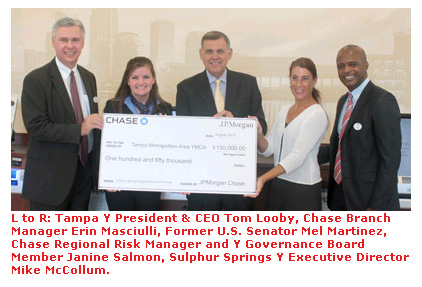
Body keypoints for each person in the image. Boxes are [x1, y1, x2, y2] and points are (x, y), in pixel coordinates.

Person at [176, 31, 267, 211]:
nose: (215, 56)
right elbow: (182, 135)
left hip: (238, 181)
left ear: (230, 53)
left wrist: (238, 125)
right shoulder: (186, 87)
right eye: (209, 51)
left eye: (220, 51)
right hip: (202, 183)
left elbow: (261, 125)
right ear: (201, 54)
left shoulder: (248, 83)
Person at [21, 17, 103, 211]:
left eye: (75, 40)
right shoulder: (36, 79)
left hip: (83, 177)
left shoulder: (89, 77)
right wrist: (79, 129)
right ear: (53, 43)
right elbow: (36, 127)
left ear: (82, 43)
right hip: (50, 181)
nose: (70, 45)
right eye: (63, 40)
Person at [327, 45, 401, 211]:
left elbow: (390, 160)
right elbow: (340, 146)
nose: (347, 70)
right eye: (341, 66)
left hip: (369, 203)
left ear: (365, 66)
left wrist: (374, 208)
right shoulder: (343, 101)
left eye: (353, 64)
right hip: (341, 198)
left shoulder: (382, 100)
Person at [250, 57, 328, 211]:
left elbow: (296, 158)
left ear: (315, 81)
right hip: (279, 184)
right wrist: (258, 135)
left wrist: (263, 178)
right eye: (294, 78)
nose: (298, 84)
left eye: (305, 79)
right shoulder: (284, 110)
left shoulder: (317, 114)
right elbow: (269, 148)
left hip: (303, 189)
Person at [103, 56, 172, 211]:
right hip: (119, 183)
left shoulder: (165, 108)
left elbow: (171, 147)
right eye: (135, 77)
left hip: (150, 182)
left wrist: (165, 130)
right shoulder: (113, 107)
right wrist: (106, 177)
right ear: (127, 80)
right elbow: (105, 145)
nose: (141, 82)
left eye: (146, 77)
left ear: (153, 79)